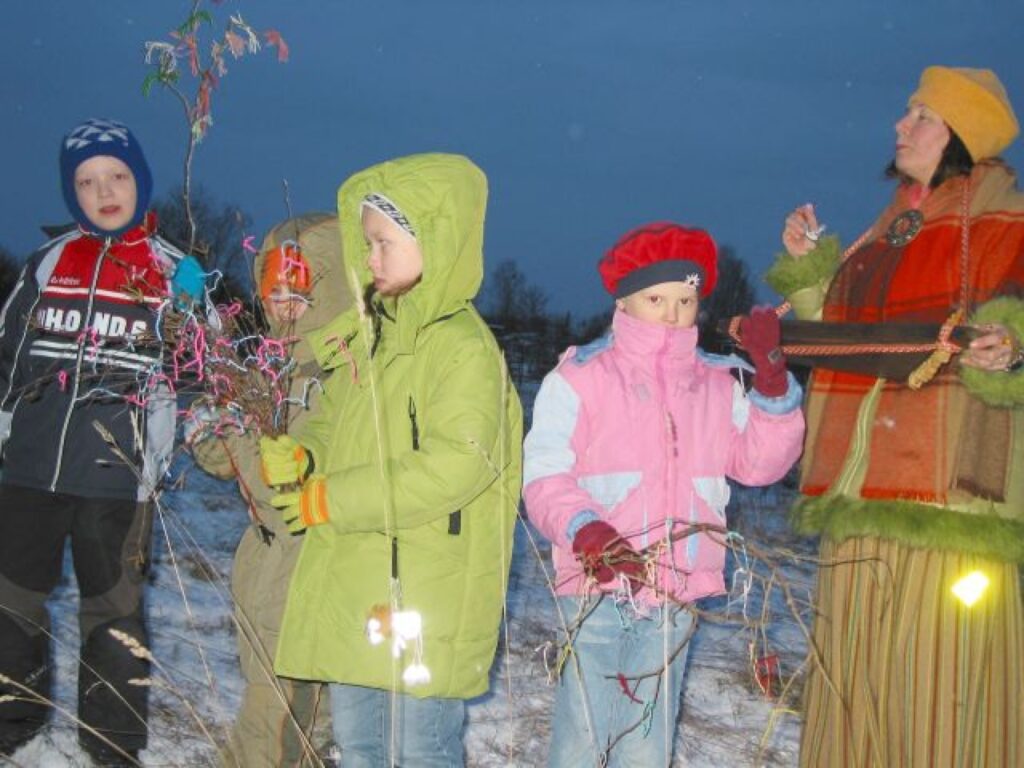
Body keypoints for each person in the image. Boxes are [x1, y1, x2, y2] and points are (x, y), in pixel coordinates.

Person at [768, 66, 1024, 767]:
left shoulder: (1011, 225)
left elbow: (1015, 331)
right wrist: (812, 271)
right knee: (852, 682)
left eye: (921, 116)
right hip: (855, 492)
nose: (900, 126)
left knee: (939, 691)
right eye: (908, 113)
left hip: (951, 499)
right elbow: (848, 342)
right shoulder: (888, 232)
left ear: (961, 135)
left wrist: (1010, 344)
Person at [258, 153, 523, 767]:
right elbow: (336, 420)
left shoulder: (463, 350)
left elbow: (457, 465)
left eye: (384, 243)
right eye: (368, 243)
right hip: (360, 582)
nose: (369, 257)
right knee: (363, 746)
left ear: (437, 240)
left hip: (430, 590)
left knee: (421, 747)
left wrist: (331, 498)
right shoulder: (368, 337)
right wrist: (306, 453)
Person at [523, 222, 805, 767]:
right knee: (584, 733)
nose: (673, 312)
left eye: (685, 298)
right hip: (596, 584)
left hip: (676, 588)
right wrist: (587, 530)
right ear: (624, 301)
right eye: (656, 298)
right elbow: (543, 474)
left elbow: (760, 464)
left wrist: (771, 384)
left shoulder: (719, 382)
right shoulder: (583, 377)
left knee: (648, 742)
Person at [0, 118, 203, 765]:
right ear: (72, 193)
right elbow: (8, 358)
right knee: (12, 603)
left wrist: (168, 450)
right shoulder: (48, 263)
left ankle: (112, 745)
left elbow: (196, 377)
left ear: (139, 182)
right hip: (27, 473)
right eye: (87, 182)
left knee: (114, 619)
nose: (104, 191)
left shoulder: (173, 275)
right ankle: (14, 723)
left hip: (115, 483)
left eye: (117, 176)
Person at [186, 213, 351, 767]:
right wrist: (210, 428)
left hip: (305, 573)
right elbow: (227, 464)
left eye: (300, 290)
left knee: (274, 724)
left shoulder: (341, 377)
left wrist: (242, 435)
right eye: (274, 290)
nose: (284, 303)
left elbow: (289, 485)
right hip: (261, 568)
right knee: (276, 715)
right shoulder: (273, 369)